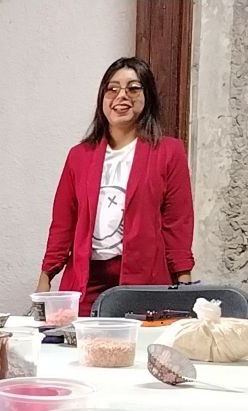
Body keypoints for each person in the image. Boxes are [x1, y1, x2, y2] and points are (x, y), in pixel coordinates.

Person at [37, 56, 195, 316]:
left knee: (138, 350)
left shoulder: (169, 152)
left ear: (148, 96)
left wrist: (184, 283)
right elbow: (64, 223)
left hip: (144, 279)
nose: (122, 96)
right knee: (81, 348)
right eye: (112, 89)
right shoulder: (79, 156)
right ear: (103, 98)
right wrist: (46, 276)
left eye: (133, 88)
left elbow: (177, 223)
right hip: (87, 278)